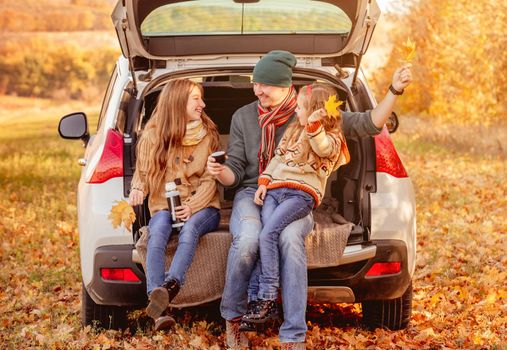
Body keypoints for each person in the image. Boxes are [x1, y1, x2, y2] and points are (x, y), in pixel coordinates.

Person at [207, 50, 412, 349]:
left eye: (264, 84)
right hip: (254, 192)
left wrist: (394, 89)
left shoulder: (312, 110)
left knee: (290, 240)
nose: (257, 90)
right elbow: (236, 173)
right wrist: (221, 172)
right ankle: (235, 321)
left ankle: (293, 335)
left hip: (297, 194)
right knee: (248, 240)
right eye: (255, 83)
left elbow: (369, 122)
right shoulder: (243, 116)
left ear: (284, 85)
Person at [241, 83, 350, 325]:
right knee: (263, 236)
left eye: (300, 107)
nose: (296, 112)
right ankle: (258, 301)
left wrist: (314, 125)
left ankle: (266, 297)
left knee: (269, 234)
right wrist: (263, 182)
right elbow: (277, 159)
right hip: (274, 192)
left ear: (315, 110)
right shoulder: (292, 130)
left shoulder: (331, 138)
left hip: (299, 196)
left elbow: (321, 147)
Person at [129, 79, 221, 331]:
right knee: (156, 233)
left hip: (204, 209)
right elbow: (144, 172)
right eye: (196, 99)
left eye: (201, 98)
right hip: (163, 206)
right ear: (178, 101)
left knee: (190, 230)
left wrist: (192, 206)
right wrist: (138, 189)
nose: (202, 104)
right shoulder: (153, 134)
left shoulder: (208, 135)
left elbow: (210, 179)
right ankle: (159, 307)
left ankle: (172, 285)